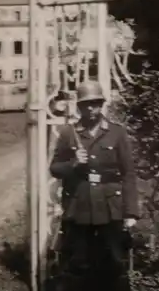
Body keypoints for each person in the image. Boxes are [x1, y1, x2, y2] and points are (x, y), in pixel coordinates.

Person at [50, 80, 140, 291]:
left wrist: (131, 212)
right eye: (86, 104)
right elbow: (54, 169)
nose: (91, 108)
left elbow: (128, 174)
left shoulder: (117, 133)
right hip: (79, 206)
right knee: (78, 264)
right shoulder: (68, 134)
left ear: (102, 104)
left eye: (96, 103)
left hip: (111, 208)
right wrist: (73, 164)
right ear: (79, 107)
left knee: (115, 263)